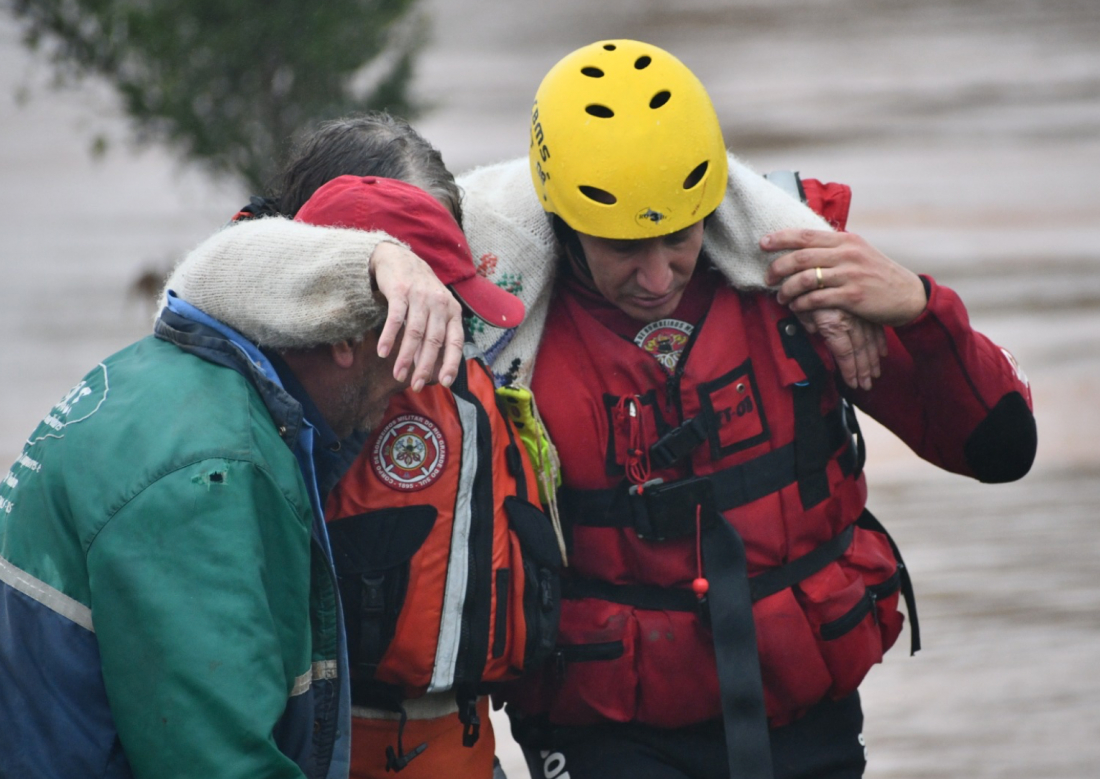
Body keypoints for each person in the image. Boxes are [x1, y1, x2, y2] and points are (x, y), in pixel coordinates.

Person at [152, 39, 1037, 779]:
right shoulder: (481, 313)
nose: (657, 276)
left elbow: (1001, 444)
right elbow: (219, 290)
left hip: (807, 723)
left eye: (680, 236)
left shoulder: (809, 290)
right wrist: (365, 268)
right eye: (623, 247)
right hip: (604, 733)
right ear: (562, 216)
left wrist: (919, 305)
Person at [0, 190, 462, 778]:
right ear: (344, 341)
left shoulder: (162, 373)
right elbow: (216, 760)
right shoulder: (211, 474)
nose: (411, 388)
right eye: (402, 354)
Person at [168, 117, 557, 779]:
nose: (423, 304)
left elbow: (633, 179)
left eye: (434, 279)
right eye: (398, 270)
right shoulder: (240, 384)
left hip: (463, 748)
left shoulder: (492, 337)